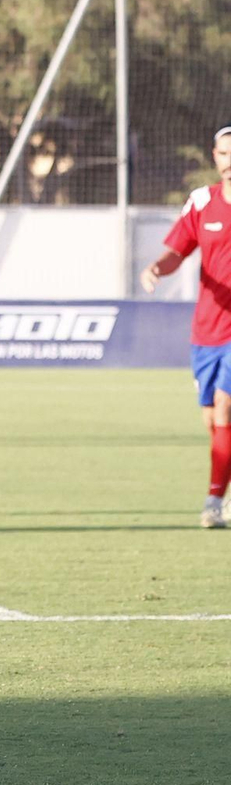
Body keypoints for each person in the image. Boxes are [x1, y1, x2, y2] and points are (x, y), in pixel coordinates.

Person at [140, 122, 231, 529]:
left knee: (226, 406)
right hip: (206, 329)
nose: (230, 161)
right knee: (212, 419)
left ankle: (213, 502)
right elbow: (178, 251)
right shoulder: (201, 202)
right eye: (224, 153)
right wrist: (156, 268)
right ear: (215, 157)